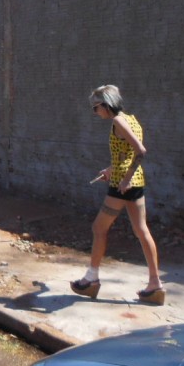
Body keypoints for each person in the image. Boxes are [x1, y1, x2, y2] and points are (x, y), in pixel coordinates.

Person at [70, 84, 165, 305]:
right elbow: (127, 153)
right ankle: (155, 285)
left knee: (98, 228)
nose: (95, 112)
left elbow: (140, 151)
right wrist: (111, 170)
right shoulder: (131, 119)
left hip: (121, 186)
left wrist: (123, 178)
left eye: (95, 108)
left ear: (106, 105)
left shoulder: (118, 121)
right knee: (142, 230)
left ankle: (91, 280)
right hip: (136, 182)